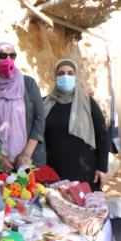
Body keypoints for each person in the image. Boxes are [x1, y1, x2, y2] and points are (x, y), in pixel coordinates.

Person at [44, 59, 109, 190]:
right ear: (55, 77)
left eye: (70, 73)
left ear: (76, 77)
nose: (65, 76)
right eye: (61, 73)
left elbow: (102, 135)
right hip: (54, 171)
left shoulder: (88, 103)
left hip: (85, 172)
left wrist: (102, 168)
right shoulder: (45, 103)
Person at [0, 42, 45, 172]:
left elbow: (39, 119)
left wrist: (26, 154)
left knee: (29, 192)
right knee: (1, 192)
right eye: (3, 55)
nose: (8, 59)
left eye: (12, 55)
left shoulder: (28, 84)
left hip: (28, 160)